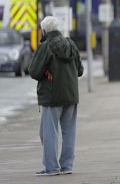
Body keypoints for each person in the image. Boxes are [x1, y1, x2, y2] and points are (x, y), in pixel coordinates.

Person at [29, 16, 84, 176]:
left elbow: (33, 71)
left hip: (52, 95)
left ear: (44, 30)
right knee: (69, 132)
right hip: (71, 95)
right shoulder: (71, 44)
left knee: (48, 132)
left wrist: (46, 72)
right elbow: (80, 70)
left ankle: (51, 167)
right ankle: (67, 165)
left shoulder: (46, 46)